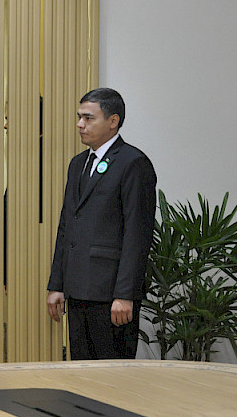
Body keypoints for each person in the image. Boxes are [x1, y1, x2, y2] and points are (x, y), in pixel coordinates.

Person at [46, 88, 156, 360]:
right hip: (77, 290)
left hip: (111, 296)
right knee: (82, 372)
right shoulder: (78, 164)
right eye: (79, 117)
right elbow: (67, 226)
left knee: (112, 375)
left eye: (88, 118)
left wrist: (125, 295)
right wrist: (57, 284)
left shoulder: (133, 163)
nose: (79, 124)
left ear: (113, 121)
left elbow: (137, 235)